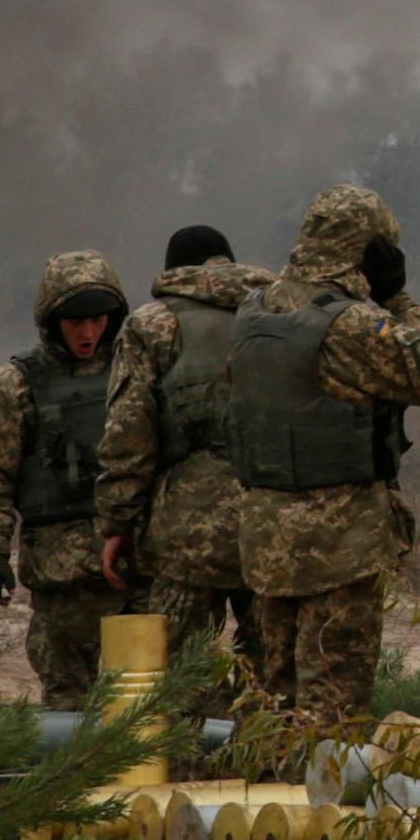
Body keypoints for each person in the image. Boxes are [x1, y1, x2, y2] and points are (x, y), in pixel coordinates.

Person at [228, 185, 420, 722]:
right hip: (337, 546)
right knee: (332, 710)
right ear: (371, 249)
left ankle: (260, 796)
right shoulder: (351, 323)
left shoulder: (252, 310)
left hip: (265, 542)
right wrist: (397, 297)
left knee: (270, 700)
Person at [91, 225, 273, 687]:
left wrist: (117, 522)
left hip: (186, 532)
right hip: (276, 522)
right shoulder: (281, 313)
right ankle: (263, 759)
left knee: (178, 681)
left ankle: (190, 759)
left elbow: (128, 434)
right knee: (273, 673)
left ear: (173, 269)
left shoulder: (154, 324)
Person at [0, 249, 135, 707]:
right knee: (70, 707)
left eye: (98, 319)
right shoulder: (14, 387)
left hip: (136, 570)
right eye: (75, 321)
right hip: (62, 584)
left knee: (145, 703)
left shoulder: (137, 372)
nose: (88, 332)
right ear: (50, 319)